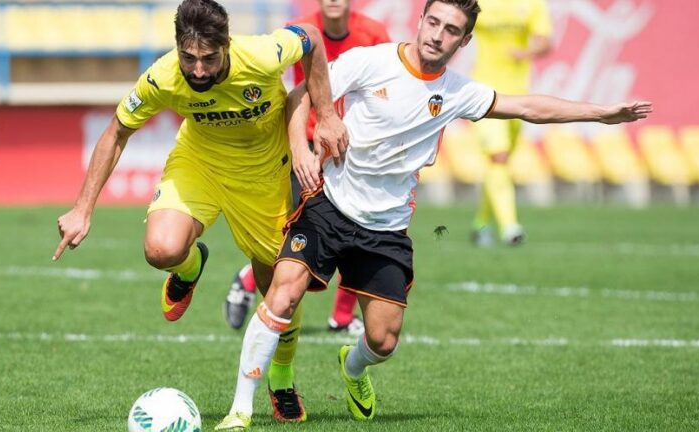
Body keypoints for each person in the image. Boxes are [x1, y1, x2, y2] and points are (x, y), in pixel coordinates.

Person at [214, 0, 652, 429]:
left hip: (385, 229)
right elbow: (300, 96)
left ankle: (352, 367)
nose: (438, 35)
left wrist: (599, 113)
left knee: (383, 341)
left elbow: (527, 107)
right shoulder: (370, 61)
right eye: (434, 22)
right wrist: (301, 149)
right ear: (420, 19)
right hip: (330, 204)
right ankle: (240, 411)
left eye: (451, 30)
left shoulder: (458, 90)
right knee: (283, 292)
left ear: (464, 40)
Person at [52, 0, 347, 424]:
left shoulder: (264, 54)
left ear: (227, 44)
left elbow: (313, 38)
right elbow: (117, 132)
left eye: (209, 58)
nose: (199, 70)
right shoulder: (163, 76)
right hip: (200, 163)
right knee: (160, 249)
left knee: (279, 287)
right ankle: (189, 268)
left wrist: (328, 115)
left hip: (263, 173)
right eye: (189, 58)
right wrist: (83, 208)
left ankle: (281, 374)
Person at [223, 0, 390, 337]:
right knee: (298, 232)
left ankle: (342, 317)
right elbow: (278, 86)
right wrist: (298, 145)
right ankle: (247, 277)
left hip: (353, 146)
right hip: (308, 146)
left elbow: (387, 86)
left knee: (362, 226)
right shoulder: (298, 30)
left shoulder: (373, 33)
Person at [471, 0, 553, 246]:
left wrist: (530, 51)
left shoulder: (532, 4)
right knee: (499, 157)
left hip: (519, 97)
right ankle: (510, 227)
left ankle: (481, 225)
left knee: (500, 166)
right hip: (485, 92)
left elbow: (546, 42)